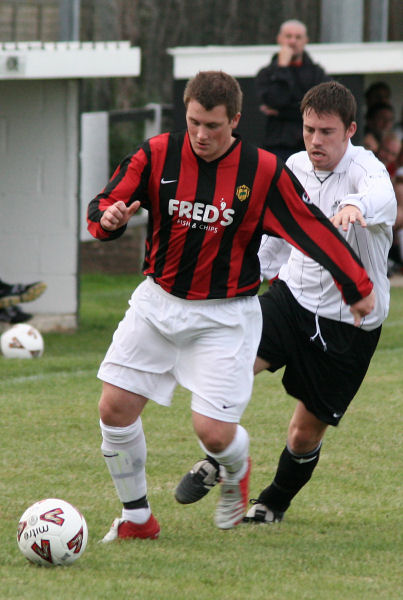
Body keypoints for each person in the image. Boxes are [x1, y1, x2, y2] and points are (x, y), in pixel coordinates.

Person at [87, 72, 375, 541]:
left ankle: (234, 470)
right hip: (157, 303)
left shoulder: (261, 172)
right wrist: (109, 218)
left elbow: (311, 228)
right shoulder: (157, 153)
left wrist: (356, 283)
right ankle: (137, 519)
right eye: (194, 122)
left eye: (214, 126)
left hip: (223, 317)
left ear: (236, 120)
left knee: (214, 434)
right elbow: (103, 206)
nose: (201, 135)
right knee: (114, 409)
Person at [175, 81, 396, 525]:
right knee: (232, 370)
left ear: (350, 130)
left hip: (349, 322)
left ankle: (272, 502)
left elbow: (381, 198)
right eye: (310, 129)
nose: (316, 140)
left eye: (327, 132)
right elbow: (275, 237)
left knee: (303, 433)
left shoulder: (366, 171)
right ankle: (220, 461)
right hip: (290, 299)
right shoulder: (291, 167)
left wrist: (354, 206)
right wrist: (243, 281)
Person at [255, 19, 329, 161]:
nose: (293, 41)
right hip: (277, 147)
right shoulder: (267, 73)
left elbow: (321, 108)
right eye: (288, 36)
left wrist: (281, 112)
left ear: (305, 40)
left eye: (298, 37)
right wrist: (282, 68)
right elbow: (276, 99)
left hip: (309, 146)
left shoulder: (317, 74)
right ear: (279, 39)